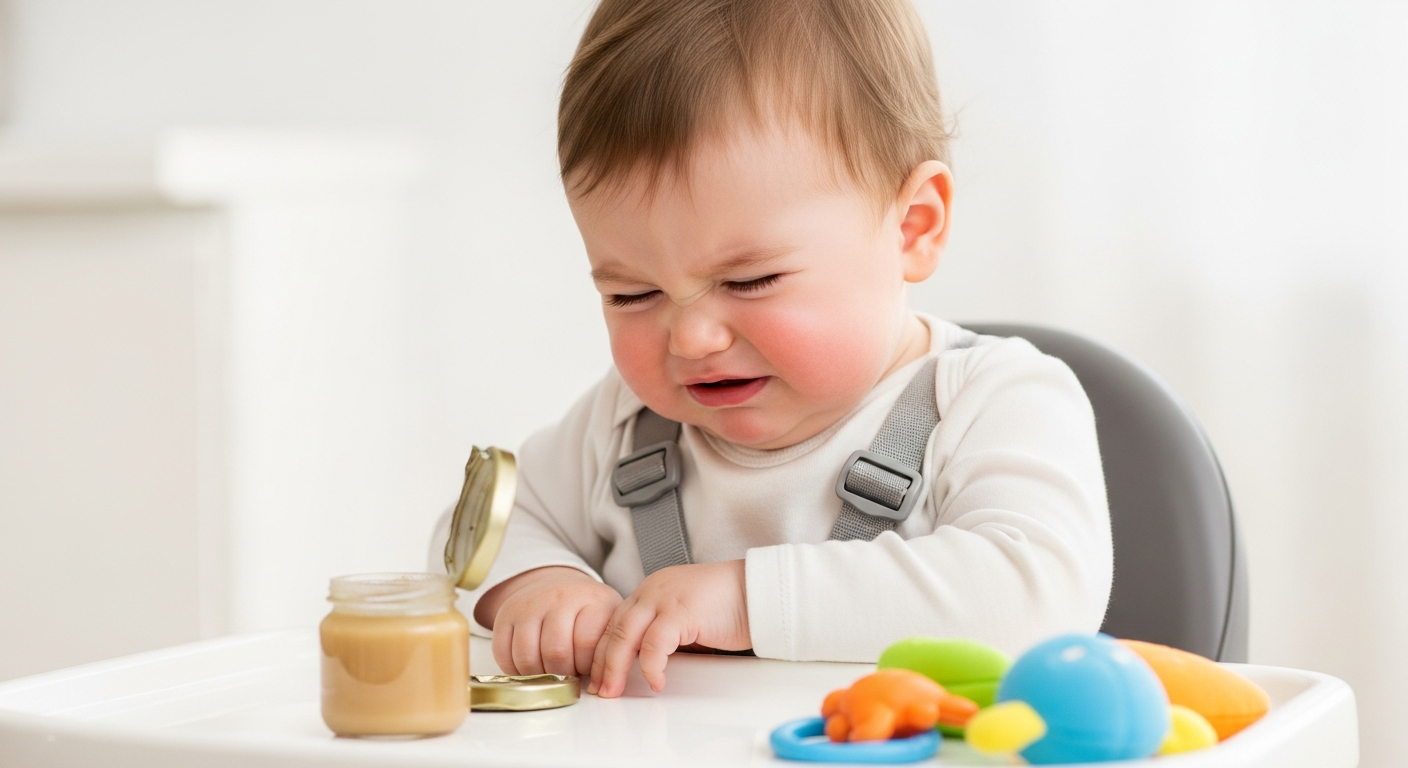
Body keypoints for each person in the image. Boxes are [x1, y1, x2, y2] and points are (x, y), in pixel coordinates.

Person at [429, 0, 1112, 700]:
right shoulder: (628, 424)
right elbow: (474, 529)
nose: (691, 338)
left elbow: (1036, 595)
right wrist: (540, 584)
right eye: (632, 294)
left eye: (749, 280)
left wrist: (747, 600)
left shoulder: (992, 403)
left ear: (912, 227)